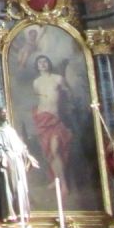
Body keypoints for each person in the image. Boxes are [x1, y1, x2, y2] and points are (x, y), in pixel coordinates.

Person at [29, 54, 74, 184]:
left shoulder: (58, 79)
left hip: (54, 118)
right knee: (49, 151)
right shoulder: (36, 82)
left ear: (49, 63)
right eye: (40, 62)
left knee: (55, 150)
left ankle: (63, 183)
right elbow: (40, 99)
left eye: (45, 61)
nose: (43, 64)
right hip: (41, 118)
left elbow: (68, 94)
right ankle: (57, 179)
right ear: (37, 66)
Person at [0, 109, 38, 219]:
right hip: (9, 159)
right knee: (11, 186)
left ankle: (22, 212)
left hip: (18, 159)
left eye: (6, 113)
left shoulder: (11, 130)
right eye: (2, 113)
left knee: (21, 185)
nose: (5, 114)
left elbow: (21, 146)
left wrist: (28, 157)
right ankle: (12, 212)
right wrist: (2, 157)